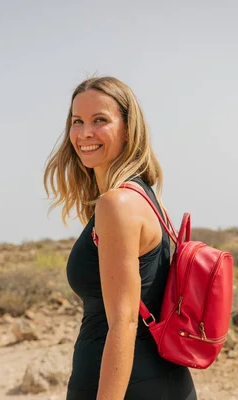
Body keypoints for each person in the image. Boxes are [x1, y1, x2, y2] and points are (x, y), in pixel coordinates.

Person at [44, 76, 197, 400]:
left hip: (129, 388)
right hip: (157, 380)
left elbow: (125, 323)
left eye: (100, 120)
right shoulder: (143, 195)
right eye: (77, 121)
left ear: (128, 129)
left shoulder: (117, 204)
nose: (85, 132)